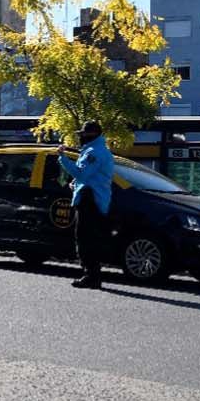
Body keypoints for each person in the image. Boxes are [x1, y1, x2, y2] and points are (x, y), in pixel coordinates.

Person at [57, 120, 115, 289]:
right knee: (90, 238)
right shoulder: (100, 150)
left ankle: (91, 276)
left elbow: (81, 172)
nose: (81, 137)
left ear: (90, 136)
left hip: (90, 200)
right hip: (96, 198)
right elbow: (90, 176)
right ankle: (92, 274)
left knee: (85, 239)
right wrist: (76, 183)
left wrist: (62, 157)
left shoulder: (93, 152)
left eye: (82, 134)